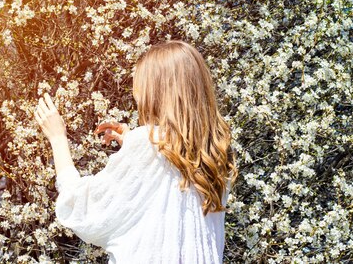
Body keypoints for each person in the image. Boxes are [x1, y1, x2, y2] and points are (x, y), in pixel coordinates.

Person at [34, 39, 238, 263]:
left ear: (156, 93)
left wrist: (57, 138)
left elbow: (83, 208)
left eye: (140, 88)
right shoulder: (215, 156)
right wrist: (134, 142)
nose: (136, 97)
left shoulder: (148, 146)